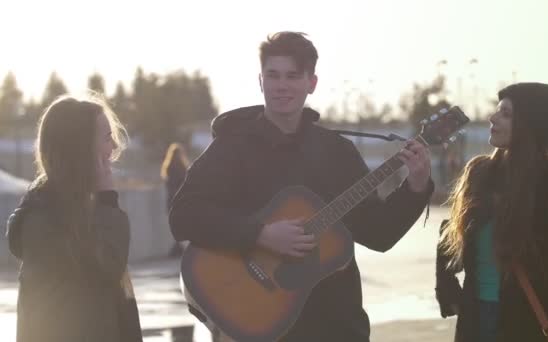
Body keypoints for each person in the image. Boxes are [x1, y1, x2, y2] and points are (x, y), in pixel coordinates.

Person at [169, 31, 434, 341]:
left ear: (312, 83)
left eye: (293, 76)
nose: (281, 85)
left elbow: (378, 234)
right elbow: (184, 215)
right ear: (261, 80)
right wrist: (260, 234)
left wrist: (415, 187)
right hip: (258, 321)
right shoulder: (232, 147)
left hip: (335, 324)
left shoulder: (338, 152)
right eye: (273, 75)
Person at [435, 82, 548, 341]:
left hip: (531, 328)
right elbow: (452, 231)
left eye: (505, 113)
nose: (492, 118)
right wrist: (447, 288)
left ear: (530, 125)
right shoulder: (480, 174)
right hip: (474, 325)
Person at [6, 95, 143, 342]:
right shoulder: (46, 222)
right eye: (106, 138)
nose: (113, 147)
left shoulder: (74, 211)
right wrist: (107, 200)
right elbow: (109, 264)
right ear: (79, 147)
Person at [161, 142, 190, 257]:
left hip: (171, 203)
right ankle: (178, 251)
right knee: (183, 229)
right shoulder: (181, 168)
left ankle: (177, 250)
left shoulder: (167, 168)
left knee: (178, 229)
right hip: (180, 203)